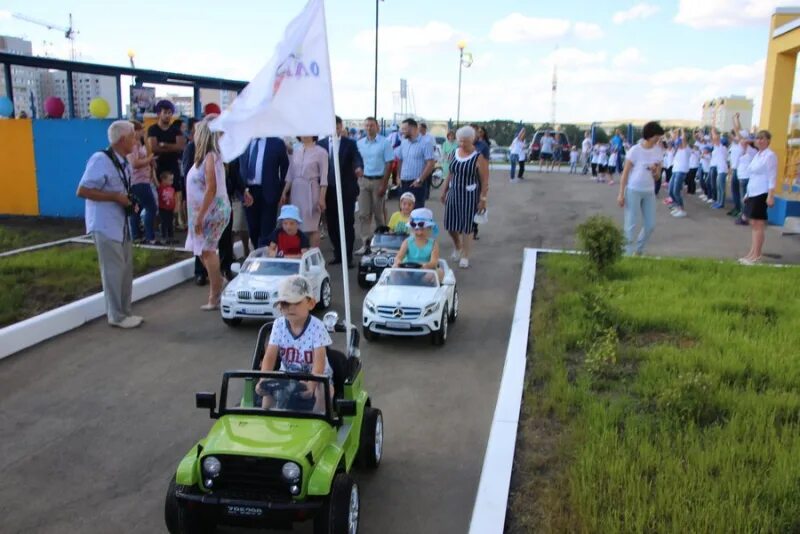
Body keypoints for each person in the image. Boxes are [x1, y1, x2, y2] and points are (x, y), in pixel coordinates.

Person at [76, 120, 143, 329]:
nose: (135, 140)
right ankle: (117, 316)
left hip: (120, 224)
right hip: (105, 225)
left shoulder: (122, 161)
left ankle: (125, 312)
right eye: (133, 136)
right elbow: (83, 190)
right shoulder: (100, 159)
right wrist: (115, 196)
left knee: (124, 269)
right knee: (113, 271)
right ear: (122, 139)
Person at [259, 275, 333, 413]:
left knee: (323, 392)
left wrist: (311, 385)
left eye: (296, 302)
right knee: (268, 388)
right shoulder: (278, 325)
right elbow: (269, 356)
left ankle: (319, 422)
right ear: (280, 307)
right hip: (286, 375)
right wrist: (263, 379)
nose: (290, 308)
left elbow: (319, 364)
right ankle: (265, 418)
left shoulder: (317, 327)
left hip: (317, 376)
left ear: (310, 303)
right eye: (285, 303)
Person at [185, 117, 231, 310]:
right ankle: (220, 285)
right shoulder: (205, 157)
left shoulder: (211, 156)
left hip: (210, 212)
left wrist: (201, 215)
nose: (194, 135)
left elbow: (211, 188)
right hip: (204, 212)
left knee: (208, 251)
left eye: (196, 132)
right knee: (204, 252)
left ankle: (215, 295)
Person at [441, 125, 489, 269]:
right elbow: (450, 173)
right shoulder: (455, 152)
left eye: (465, 141)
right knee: (450, 224)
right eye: (460, 141)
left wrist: (483, 200)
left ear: (472, 140)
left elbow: (485, 180)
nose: (462, 144)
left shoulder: (478, 157)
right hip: (454, 192)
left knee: (467, 227)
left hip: (469, 195)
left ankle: (465, 255)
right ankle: (458, 246)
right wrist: (444, 191)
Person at [318, 116, 364, 265]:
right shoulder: (321, 144)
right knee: (331, 225)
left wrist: (358, 167)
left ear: (340, 127)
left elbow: (357, 157)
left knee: (346, 223)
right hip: (328, 191)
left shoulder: (349, 143)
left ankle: (348, 256)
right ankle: (338, 254)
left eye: (336, 126)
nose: (334, 130)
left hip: (346, 191)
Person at [617, 121, 665, 256]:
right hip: (633, 190)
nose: (658, 139)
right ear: (650, 135)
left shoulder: (658, 151)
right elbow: (625, 173)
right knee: (630, 224)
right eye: (657, 136)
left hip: (649, 191)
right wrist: (621, 194)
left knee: (650, 225)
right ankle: (627, 253)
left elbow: (657, 177)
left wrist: (655, 172)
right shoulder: (635, 150)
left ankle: (639, 249)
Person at [239, 136, 289, 248]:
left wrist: (281, 190)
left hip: (269, 191)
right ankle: (258, 252)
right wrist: (241, 190)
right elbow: (238, 166)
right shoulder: (244, 143)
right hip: (248, 192)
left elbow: (285, 168)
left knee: (267, 229)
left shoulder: (276, 143)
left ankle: (264, 258)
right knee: (253, 228)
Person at [281, 136, 328, 248]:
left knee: (311, 227)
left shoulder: (321, 152)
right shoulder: (296, 151)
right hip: (296, 191)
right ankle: (299, 256)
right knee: (296, 224)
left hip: (311, 191)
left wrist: (322, 198)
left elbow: (324, 177)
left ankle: (313, 258)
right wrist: (284, 192)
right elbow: (290, 174)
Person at [355, 116, 393, 254]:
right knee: (364, 214)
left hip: (379, 180)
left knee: (378, 214)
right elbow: (356, 160)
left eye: (371, 125)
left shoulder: (384, 143)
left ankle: (382, 243)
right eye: (367, 126)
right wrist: (357, 169)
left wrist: (384, 184)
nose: (369, 128)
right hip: (363, 181)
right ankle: (365, 244)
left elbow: (389, 164)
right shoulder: (359, 143)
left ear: (377, 127)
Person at [739, 130, 777, 265]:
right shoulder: (757, 155)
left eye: (763, 138)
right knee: (753, 223)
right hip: (753, 192)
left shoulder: (770, 156)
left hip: (762, 192)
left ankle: (757, 255)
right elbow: (752, 175)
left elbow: (772, 177)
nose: (760, 141)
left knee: (758, 224)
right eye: (758, 138)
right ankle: (752, 253)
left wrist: (771, 195)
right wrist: (747, 194)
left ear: (768, 141)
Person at [147, 100, 185, 229]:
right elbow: (154, 148)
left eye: (170, 113)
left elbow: (180, 147)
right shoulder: (153, 129)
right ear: (159, 113)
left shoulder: (175, 130)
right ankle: (160, 223)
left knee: (175, 194)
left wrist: (164, 145)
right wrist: (171, 147)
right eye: (165, 112)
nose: (168, 115)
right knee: (159, 194)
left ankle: (173, 222)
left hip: (173, 166)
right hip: (160, 167)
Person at [127, 121, 158, 244]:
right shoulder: (132, 146)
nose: (142, 132)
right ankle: (149, 236)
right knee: (151, 207)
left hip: (144, 179)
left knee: (137, 208)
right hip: (138, 181)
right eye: (140, 130)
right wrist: (149, 159)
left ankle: (137, 236)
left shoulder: (140, 144)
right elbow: (134, 163)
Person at [397, 118, 435, 209]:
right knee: (403, 212)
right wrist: (398, 177)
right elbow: (400, 160)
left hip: (417, 184)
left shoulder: (425, 143)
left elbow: (430, 163)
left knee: (416, 212)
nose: (402, 131)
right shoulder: (404, 142)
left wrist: (420, 180)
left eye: (404, 129)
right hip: (403, 183)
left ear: (413, 128)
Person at [395, 207, 444, 280]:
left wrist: (424, 266)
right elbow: (398, 257)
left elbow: (434, 262)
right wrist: (399, 263)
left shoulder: (433, 244)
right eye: (416, 229)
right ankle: (397, 287)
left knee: (439, 272)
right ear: (412, 229)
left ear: (429, 228)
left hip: (425, 271)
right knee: (395, 267)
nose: (419, 233)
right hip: (408, 271)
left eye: (422, 229)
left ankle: (425, 285)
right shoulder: (407, 242)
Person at [669, 130, 690, 218]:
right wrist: (673, 134)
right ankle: (677, 206)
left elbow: (684, 139)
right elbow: (673, 139)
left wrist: (681, 130)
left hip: (681, 171)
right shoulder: (678, 150)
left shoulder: (686, 149)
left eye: (679, 143)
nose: (677, 144)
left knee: (676, 191)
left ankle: (682, 209)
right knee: (671, 190)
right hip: (675, 171)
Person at [710, 129, 729, 209]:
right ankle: (718, 202)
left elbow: (716, 139)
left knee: (721, 187)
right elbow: (715, 140)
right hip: (720, 169)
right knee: (719, 187)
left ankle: (721, 203)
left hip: (722, 170)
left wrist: (713, 131)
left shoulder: (723, 148)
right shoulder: (719, 148)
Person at [157, 171, 176, 242]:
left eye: (172, 180)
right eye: (170, 180)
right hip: (163, 209)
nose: (172, 182)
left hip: (170, 209)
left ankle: (171, 237)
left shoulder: (172, 189)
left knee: (170, 223)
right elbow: (156, 182)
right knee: (164, 223)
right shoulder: (161, 187)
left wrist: (174, 207)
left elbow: (173, 198)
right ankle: (163, 237)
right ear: (164, 180)